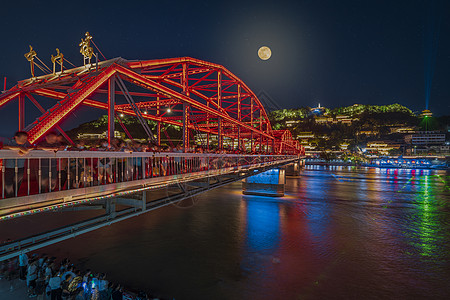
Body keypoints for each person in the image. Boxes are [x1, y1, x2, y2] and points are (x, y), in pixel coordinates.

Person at [2, 131, 32, 197]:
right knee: (8, 184)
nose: (25, 140)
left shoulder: (26, 143)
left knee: (17, 184)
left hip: (20, 166)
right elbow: (5, 147)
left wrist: (25, 150)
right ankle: (9, 198)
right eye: (23, 138)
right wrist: (19, 148)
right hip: (9, 167)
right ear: (16, 137)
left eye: (26, 139)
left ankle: (14, 197)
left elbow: (32, 147)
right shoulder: (9, 141)